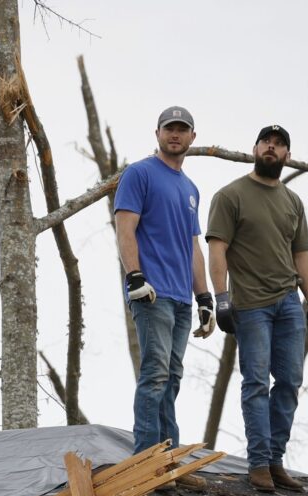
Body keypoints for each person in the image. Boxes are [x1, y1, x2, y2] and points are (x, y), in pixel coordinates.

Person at [207, 124, 308, 493]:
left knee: (289, 382)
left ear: (288, 156)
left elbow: (302, 254)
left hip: (289, 303)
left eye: (279, 145)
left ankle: (275, 460)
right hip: (250, 305)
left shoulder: (292, 201)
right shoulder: (231, 195)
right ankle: (257, 463)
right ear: (255, 148)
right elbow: (217, 248)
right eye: (266, 143)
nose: (272, 148)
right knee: (255, 382)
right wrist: (221, 298)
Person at [115, 106, 214, 474]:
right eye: (169, 129)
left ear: (192, 137)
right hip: (152, 293)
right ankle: (146, 463)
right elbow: (125, 229)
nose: (175, 134)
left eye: (182, 129)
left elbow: (193, 246)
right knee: (155, 374)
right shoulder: (139, 174)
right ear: (157, 133)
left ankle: (169, 459)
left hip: (181, 298)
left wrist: (204, 297)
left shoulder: (190, 189)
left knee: (171, 377)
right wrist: (135, 277)